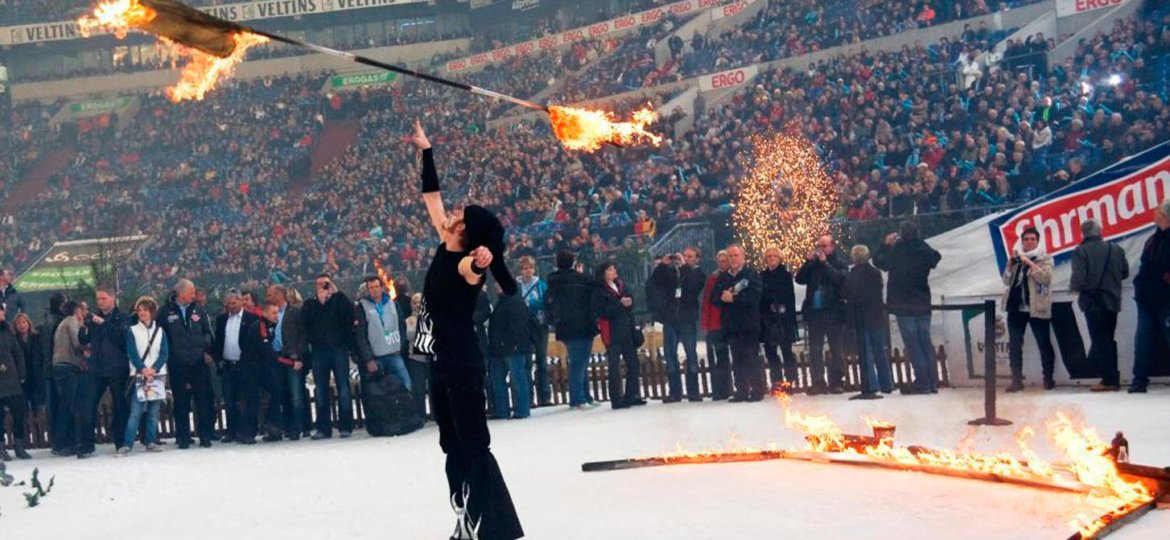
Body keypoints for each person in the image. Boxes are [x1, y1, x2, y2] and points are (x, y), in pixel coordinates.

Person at [412, 120, 523, 540]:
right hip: (442, 363)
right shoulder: (446, 240)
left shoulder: (463, 264)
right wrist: (427, 151)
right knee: (450, 446)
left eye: (460, 216)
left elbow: (474, 270)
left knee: (473, 445)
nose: (452, 214)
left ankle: (493, 526)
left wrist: (483, 260)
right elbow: (432, 197)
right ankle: (465, 517)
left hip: (462, 364)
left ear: (464, 230)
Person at [874, 222, 943, 395]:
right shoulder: (921, 248)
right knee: (925, 342)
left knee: (913, 344)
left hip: (903, 303)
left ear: (901, 234)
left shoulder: (897, 250)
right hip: (922, 300)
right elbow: (936, 257)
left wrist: (886, 244)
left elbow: (879, 262)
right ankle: (933, 382)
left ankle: (922, 382)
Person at [1069, 220, 1129, 392]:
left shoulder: (1080, 251)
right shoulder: (1116, 249)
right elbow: (1124, 273)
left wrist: (1075, 289)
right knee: (1109, 339)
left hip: (1093, 302)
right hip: (1113, 301)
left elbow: (1078, 279)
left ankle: (1110, 379)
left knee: (1100, 340)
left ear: (1083, 233)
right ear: (1100, 231)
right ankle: (1112, 377)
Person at [157, 279, 215, 449]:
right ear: (181, 293)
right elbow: (161, 337)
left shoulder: (198, 308)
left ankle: (205, 436)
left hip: (198, 363)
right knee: (181, 403)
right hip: (178, 364)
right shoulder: (165, 312)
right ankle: (183, 437)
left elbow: (206, 331)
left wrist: (206, 350)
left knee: (202, 401)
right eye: (191, 292)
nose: (194, 295)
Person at [1001, 227, 1056, 392]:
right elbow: (1006, 281)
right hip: (1016, 308)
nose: (1029, 242)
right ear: (1022, 241)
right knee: (1015, 346)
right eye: (1026, 239)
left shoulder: (1044, 258)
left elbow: (1045, 278)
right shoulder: (1016, 258)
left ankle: (1048, 379)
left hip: (1036, 307)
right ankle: (1016, 381)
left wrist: (1029, 263)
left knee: (1044, 344)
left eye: (1033, 239)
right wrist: (1010, 268)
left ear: (1038, 241)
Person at [303, 273, 356, 439]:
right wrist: (320, 302)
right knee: (320, 391)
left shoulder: (339, 300)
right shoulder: (310, 303)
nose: (322, 286)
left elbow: (349, 315)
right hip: (319, 352)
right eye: (319, 284)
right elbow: (306, 321)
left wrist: (337, 293)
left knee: (343, 388)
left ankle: (345, 426)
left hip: (338, 349)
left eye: (325, 283)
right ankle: (323, 428)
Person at [649, 249, 706, 402]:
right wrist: (663, 265)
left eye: (690, 257)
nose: (686, 259)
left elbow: (693, 287)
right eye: (684, 256)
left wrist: (684, 267)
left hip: (687, 319)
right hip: (670, 319)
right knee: (670, 355)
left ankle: (693, 391)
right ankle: (675, 392)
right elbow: (655, 281)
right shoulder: (671, 272)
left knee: (691, 355)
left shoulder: (698, 273)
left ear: (697, 259)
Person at [545, 250, 599, 410]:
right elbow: (593, 286)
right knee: (579, 363)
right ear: (573, 262)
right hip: (583, 324)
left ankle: (585, 396)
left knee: (578, 361)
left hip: (564, 325)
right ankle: (578, 399)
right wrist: (580, 272)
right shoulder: (581, 279)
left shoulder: (553, 280)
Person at [79, 288, 131, 451]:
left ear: (113, 298)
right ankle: (87, 443)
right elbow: (83, 339)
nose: (100, 302)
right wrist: (83, 325)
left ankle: (120, 441)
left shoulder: (122, 317)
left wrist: (104, 323)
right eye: (98, 299)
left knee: (119, 405)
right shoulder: (93, 317)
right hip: (97, 368)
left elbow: (122, 339)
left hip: (117, 368)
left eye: (103, 298)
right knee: (88, 404)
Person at [712, 245, 766, 402]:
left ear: (743, 257)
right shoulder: (723, 277)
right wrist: (723, 298)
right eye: (730, 256)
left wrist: (734, 299)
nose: (733, 258)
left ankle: (757, 390)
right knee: (736, 359)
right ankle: (741, 390)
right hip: (731, 325)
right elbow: (715, 298)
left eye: (736, 255)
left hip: (749, 325)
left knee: (751, 358)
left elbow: (754, 296)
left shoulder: (751, 275)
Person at [795, 235, 848, 394]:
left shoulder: (839, 263)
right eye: (819, 246)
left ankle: (836, 381)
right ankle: (818, 381)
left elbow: (839, 279)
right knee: (815, 349)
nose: (821, 250)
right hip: (815, 313)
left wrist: (825, 264)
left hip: (833, 312)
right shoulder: (814, 264)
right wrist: (808, 262)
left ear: (832, 246)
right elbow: (799, 279)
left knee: (836, 350)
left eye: (824, 246)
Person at [116, 297, 169, 456]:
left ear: (151, 312)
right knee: (135, 411)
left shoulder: (160, 331)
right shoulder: (132, 331)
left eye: (145, 310)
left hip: (157, 375)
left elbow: (164, 352)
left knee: (154, 411)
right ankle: (127, 443)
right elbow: (132, 353)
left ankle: (151, 440)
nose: (142, 313)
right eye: (139, 310)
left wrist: (155, 368)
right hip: (140, 375)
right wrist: (143, 369)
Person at [1129, 199, 1170, 394]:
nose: (1154, 214)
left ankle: (1140, 379)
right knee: (1142, 340)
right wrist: (1140, 285)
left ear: (1164, 216)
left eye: (1157, 212)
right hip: (1146, 298)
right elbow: (1145, 265)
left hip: (1165, 298)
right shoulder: (1152, 239)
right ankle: (1139, 380)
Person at [592, 261, 644, 410]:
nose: (613, 271)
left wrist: (629, 302)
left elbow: (630, 301)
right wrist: (619, 304)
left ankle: (632, 394)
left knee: (633, 362)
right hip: (612, 331)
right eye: (610, 269)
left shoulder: (622, 285)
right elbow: (602, 311)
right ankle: (617, 398)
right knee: (614, 365)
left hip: (627, 329)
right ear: (603, 273)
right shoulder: (599, 291)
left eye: (614, 268)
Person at [845, 245, 893, 399]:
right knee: (880, 350)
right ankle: (887, 384)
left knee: (866, 353)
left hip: (860, 318)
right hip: (876, 315)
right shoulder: (875, 273)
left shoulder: (852, 275)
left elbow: (846, 293)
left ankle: (871, 385)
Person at [211, 289, 258, 442]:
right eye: (228, 304)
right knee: (229, 401)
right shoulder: (222, 319)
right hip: (227, 365)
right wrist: (217, 359)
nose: (230, 306)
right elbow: (218, 341)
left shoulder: (252, 318)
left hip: (246, 365)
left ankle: (248, 432)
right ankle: (232, 431)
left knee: (248, 400)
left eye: (233, 303)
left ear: (241, 302)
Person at [263, 285, 306, 441]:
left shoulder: (294, 312)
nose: (267, 296)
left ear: (280, 295)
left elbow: (303, 335)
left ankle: (296, 428)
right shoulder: (268, 314)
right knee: (279, 394)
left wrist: (298, 354)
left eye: (270, 294)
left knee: (295, 394)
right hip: (275, 358)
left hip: (292, 357)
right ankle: (283, 427)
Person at [52, 300, 93, 458]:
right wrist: (89, 350)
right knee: (68, 406)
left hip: (59, 365)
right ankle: (63, 444)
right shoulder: (72, 322)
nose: (85, 312)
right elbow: (78, 343)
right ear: (77, 311)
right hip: (67, 366)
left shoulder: (63, 323)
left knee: (64, 404)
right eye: (83, 310)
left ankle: (61, 442)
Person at [355, 276, 411, 389]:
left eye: (376, 286)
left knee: (406, 385)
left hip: (395, 354)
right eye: (371, 287)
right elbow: (361, 335)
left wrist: (401, 345)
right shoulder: (362, 307)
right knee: (381, 391)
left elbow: (402, 326)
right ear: (368, 290)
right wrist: (369, 358)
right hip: (376, 357)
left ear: (382, 288)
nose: (374, 289)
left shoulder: (394, 304)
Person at [489, 280, 533, 420]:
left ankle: (522, 409)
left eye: (499, 284)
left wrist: (507, 342)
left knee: (518, 378)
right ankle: (502, 410)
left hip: (513, 347)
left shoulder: (515, 302)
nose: (496, 286)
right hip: (497, 348)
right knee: (497, 379)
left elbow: (518, 327)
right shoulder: (501, 302)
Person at [241, 302, 282, 444]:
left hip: (263, 366)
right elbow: (268, 352)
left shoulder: (270, 325)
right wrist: (289, 362)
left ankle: (272, 425)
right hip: (251, 367)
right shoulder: (260, 326)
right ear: (264, 313)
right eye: (273, 313)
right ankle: (247, 433)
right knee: (253, 399)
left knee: (277, 391)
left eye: (277, 313)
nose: (276, 316)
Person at [760, 246, 798, 390]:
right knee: (770, 351)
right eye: (769, 256)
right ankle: (777, 381)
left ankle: (789, 382)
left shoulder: (785, 275)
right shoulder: (762, 276)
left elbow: (787, 295)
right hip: (767, 319)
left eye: (774, 256)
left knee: (786, 351)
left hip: (783, 319)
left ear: (780, 258)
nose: (771, 258)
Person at [517, 256, 552, 407]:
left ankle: (545, 396)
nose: (528, 271)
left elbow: (546, 303)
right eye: (525, 268)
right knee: (527, 364)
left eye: (530, 267)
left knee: (542, 361)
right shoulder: (516, 286)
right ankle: (529, 398)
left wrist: (531, 303)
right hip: (524, 326)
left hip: (539, 324)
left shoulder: (541, 285)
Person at [701, 250, 732, 400]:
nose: (722, 263)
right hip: (716, 323)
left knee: (733, 356)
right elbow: (707, 301)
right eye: (720, 261)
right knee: (720, 357)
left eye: (724, 261)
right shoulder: (712, 278)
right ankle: (721, 389)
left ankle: (733, 386)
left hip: (730, 322)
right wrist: (706, 323)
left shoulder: (733, 277)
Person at [0, 303, 29, 460]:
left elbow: (17, 353)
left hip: (12, 379)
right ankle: (1, 447)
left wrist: (21, 372)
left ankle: (19, 445)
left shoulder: (7, 330)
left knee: (19, 412)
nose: (3, 313)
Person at [405, 292, 431, 420]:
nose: (417, 305)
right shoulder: (408, 321)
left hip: (431, 357)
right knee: (418, 388)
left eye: (419, 302)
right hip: (415, 358)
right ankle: (420, 415)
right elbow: (408, 335)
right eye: (414, 302)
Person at [13, 313, 44, 417]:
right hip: (22, 375)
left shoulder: (37, 337)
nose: (22, 325)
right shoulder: (14, 340)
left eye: (23, 322)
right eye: (19, 323)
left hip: (36, 373)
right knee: (23, 404)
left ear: (28, 323)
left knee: (38, 404)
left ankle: (39, 427)